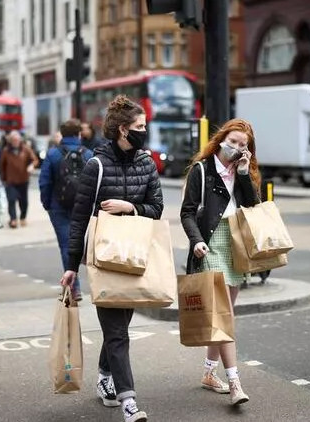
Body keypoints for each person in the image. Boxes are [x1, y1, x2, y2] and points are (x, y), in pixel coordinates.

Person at [60, 95, 162, 422]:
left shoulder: (147, 163)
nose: (145, 132)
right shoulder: (96, 166)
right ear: (122, 129)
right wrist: (70, 267)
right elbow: (78, 219)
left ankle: (105, 373)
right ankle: (129, 402)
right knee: (118, 332)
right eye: (140, 127)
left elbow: (157, 209)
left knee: (120, 325)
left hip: (135, 255)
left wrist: (129, 207)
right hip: (104, 259)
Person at [180, 118, 258, 407]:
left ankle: (209, 374)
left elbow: (253, 208)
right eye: (233, 141)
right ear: (222, 138)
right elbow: (187, 212)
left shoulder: (242, 172)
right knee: (224, 316)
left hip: (234, 245)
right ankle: (235, 382)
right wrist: (196, 240)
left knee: (225, 314)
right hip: (209, 244)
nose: (237, 147)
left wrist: (244, 174)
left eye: (243, 145)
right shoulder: (202, 170)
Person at [39, 119, 94, 301]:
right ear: (79, 134)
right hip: (83, 207)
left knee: (66, 245)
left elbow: (44, 182)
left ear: (62, 134)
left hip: (59, 207)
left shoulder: (53, 154)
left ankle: (74, 288)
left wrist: (47, 204)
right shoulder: (88, 154)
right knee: (82, 244)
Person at [0, 130, 38, 228]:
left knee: (23, 201)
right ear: (10, 141)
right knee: (11, 200)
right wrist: (3, 178)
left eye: (17, 140)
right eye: (13, 140)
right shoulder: (6, 150)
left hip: (23, 179)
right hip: (10, 180)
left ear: (20, 140)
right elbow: (2, 165)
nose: (15, 142)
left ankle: (23, 217)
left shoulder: (26, 149)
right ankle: (13, 219)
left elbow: (35, 160)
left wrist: (32, 166)